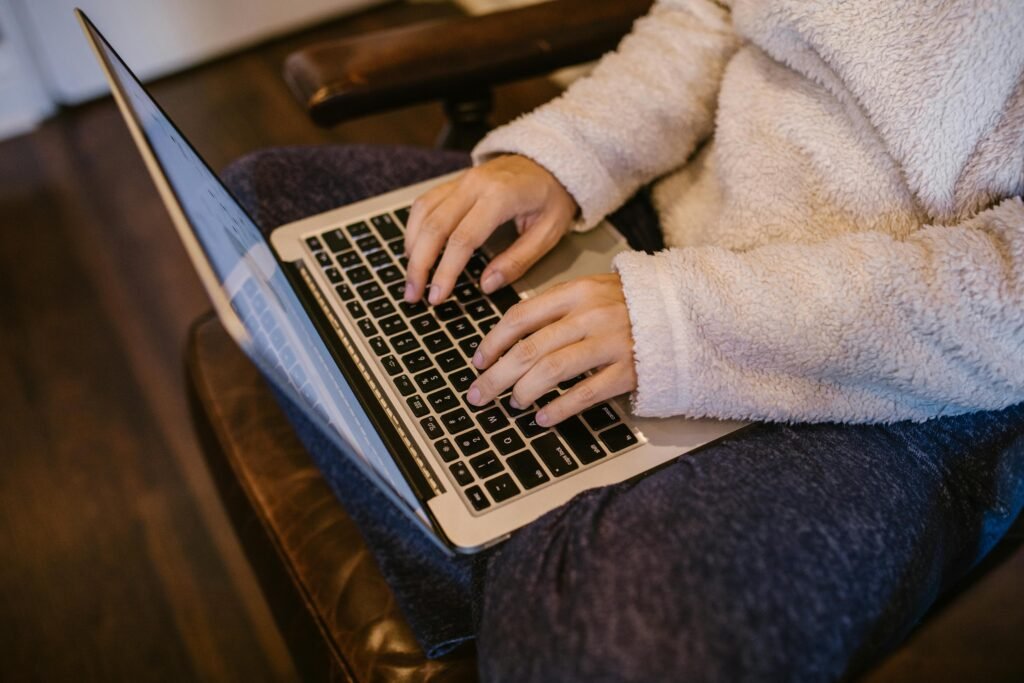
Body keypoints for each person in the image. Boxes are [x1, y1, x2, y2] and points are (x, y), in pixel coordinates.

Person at [225, 0, 1024, 679]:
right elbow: (706, 18)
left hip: (891, 373)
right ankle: (517, 535)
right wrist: (561, 157)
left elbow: (1006, 297)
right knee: (267, 209)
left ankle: (526, 547)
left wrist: (682, 324)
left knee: (617, 629)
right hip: (672, 229)